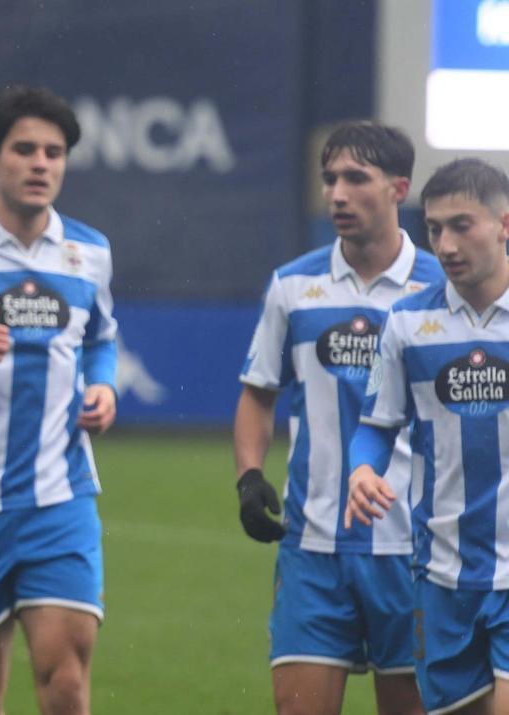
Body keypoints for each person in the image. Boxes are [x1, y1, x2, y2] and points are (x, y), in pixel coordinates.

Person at [233, 121, 440, 715]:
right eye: (330, 180)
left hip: (414, 551)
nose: (337, 194)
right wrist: (250, 477)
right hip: (313, 546)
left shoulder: (441, 288)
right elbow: (259, 392)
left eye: (356, 178)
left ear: (399, 188)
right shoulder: (294, 286)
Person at [0, 84, 115, 715]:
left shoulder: (89, 252)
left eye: (54, 152)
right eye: (25, 150)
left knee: (66, 682)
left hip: (59, 497)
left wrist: (103, 385)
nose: (41, 163)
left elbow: (100, 338)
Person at [348, 158, 509, 715]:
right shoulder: (406, 323)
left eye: (462, 225)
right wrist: (362, 469)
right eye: (435, 229)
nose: (445, 245)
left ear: (504, 224)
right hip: (442, 575)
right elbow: (375, 427)